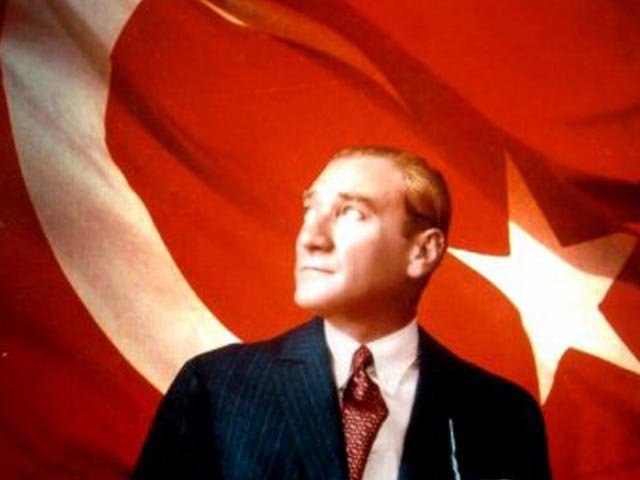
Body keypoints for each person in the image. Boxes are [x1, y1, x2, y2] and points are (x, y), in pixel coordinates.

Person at [133, 147, 552, 480]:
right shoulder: (215, 389)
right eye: (309, 210)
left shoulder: (503, 414)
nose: (310, 238)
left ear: (423, 251)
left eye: (352, 212)